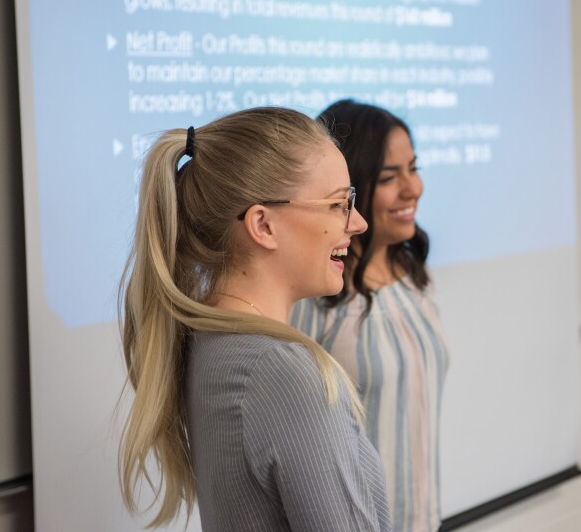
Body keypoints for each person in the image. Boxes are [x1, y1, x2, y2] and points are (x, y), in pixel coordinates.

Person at [118, 107, 391, 532]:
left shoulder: (209, 340)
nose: (358, 222)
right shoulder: (283, 371)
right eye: (339, 204)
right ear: (263, 225)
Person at [290, 100, 450, 532]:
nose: (412, 188)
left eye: (413, 168)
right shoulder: (314, 297)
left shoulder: (415, 275)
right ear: (350, 188)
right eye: (388, 178)